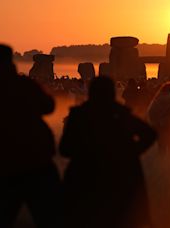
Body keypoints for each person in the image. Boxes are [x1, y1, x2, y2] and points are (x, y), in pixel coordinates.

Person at [0, 44, 61, 228]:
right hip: (35, 161)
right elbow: (48, 106)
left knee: (0, 219)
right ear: (10, 61)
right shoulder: (23, 85)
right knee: (48, 218)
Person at [60, 76, 156, 228]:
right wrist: (131, 152)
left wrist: (85, 153)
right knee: (120, 219)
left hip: (84, 177)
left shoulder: (79, 115)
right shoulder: (121, 114)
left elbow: (65, 149)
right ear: (111, 93)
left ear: (91, 92)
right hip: (119, 176)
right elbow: (150, 133)